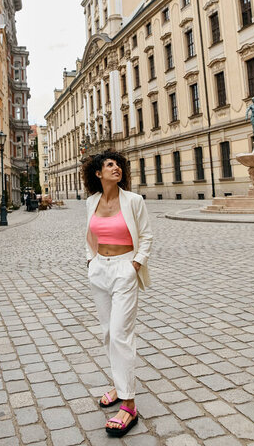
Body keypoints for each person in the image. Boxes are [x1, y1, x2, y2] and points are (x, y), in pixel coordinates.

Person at [82, 150, 152, 437]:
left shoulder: (133, 201)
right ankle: (118, 383)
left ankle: (129, 404)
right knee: (108, 333)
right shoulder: (91, 202)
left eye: (118, 165)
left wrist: (135, 264)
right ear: (98, 173)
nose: (116, 169)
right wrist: (91, 260)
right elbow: (90, 236)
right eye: (109, 165)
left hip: (125, 268)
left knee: (121, 334)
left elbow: (146, 235)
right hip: (99, 271)